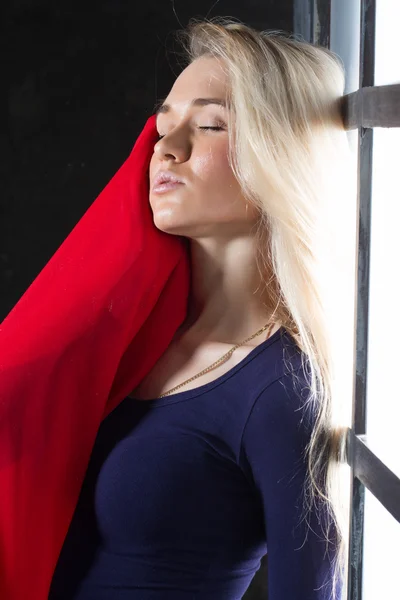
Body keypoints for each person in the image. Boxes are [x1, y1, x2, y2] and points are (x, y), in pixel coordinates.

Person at [11, 17, 355, 600]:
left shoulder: (282, 391)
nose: (165, 149)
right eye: (163, 126)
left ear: (280, 152)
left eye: (211, 124)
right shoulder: (129, 336)